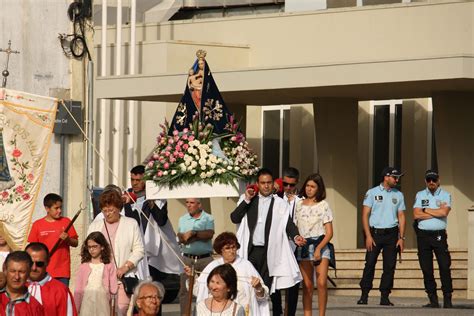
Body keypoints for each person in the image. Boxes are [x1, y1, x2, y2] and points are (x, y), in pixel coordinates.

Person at [230, 168, 305, 316]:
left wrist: (296, 237)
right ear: (257, 184)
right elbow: (234, 218)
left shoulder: (280, 203)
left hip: (269, 252)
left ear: (273, 184)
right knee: (249, 287)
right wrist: (246, 200)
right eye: (263, 183)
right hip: (250, 251)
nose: (266, 186)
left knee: (272, 289)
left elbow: (288, 223)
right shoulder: (248, 201)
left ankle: (275, 313)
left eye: (269, 183)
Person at [87, 189, 145, 316]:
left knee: (121, 310)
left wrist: (125, 267)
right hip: (99, 280)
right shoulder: (94, 226)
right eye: (104, 210)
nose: (107, 214)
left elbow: (139, 250)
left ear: (119, 208)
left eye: (111, 210)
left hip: (122, 279)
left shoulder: (130, 224)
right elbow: (87, 250)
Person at [357, 167, 406, 306]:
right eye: (395, 177)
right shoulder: (372, 193)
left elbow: (401, 216)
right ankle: (364, 294)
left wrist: (401, 238)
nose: (397, 180)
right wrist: (367, 235)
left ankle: (385, 296)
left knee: (389, 266)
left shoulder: (399, 194)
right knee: (370, 264)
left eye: (398, 177)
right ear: (386, 177)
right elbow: (365, 214)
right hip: (375, 234)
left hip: (392, 234)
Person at [189, 232, 270, 315]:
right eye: (227, 248)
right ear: (220, 250)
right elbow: (199, 291)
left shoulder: (246, 266)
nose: (232, 251)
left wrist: (258, 288)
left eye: (234, 247)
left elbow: (262, 298)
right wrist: (191, 277)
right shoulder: (213, 266)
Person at [294, 174, 334, 316]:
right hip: (303, 246)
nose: (309, 189)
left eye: (313, 187)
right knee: (307, 285)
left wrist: (318, 248)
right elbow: (294, 227)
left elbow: (329, 232)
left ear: (319, 189)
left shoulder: (323, 205)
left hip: (320, 245)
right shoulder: (298, 205)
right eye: (307, 186)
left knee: (322, 282)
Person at [413, 170, 453, 308]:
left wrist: (425, 210)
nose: (431, 182)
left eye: (434, 180)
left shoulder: (445, 195)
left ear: (438, 181)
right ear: (425, 181)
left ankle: (447, 299)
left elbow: (444, 212)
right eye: (429, 180)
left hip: (438, 235)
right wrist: (435, 212)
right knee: (426, 268)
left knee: (444, 266)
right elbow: (416, 215)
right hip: (423, 236)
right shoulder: (420, 194)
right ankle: (433, 300)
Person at [27, 193, 79, 286]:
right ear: (47, 208)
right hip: (42, 270)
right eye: (56, 208)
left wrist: (68, 239)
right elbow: (32, 248)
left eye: (60, 207)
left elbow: (76, 243)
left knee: (61, 298)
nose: (59, 211)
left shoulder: (66, 221)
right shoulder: (37, 224)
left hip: (62, 271)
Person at [177, 198, 215, 315]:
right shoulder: (182, 219)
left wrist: (193, 233)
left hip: (205, 259)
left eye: (192, 203)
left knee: (209, 288)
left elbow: (209, 234)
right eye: (187, 202)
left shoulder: (208, 218)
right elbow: (181, 236)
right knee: (185, 290)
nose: (188, 205)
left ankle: (207, 313)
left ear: (199, 205)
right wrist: (185, 237)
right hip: (187, 258)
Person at [25, 242, 77, 316]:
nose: (34, 268)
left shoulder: (61, 290)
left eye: (39, 264)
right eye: (30, 263)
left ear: (47, 262)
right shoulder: (14, 288)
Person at [74, 231, 118, 315]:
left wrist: (114, 310)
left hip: (103, 303)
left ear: (102, 247)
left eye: (95, 246)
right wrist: (75, 310)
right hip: (87, 303)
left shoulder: (109, 266)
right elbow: (78, 291)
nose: (91, 249)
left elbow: (114, 290)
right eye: (89, 247)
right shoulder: (83, 267)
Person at [0, 251, 44, 315]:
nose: (17, 277)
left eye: (22, 272)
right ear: (5, 270)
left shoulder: (35, 307)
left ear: (29, 273)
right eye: (12, 271)